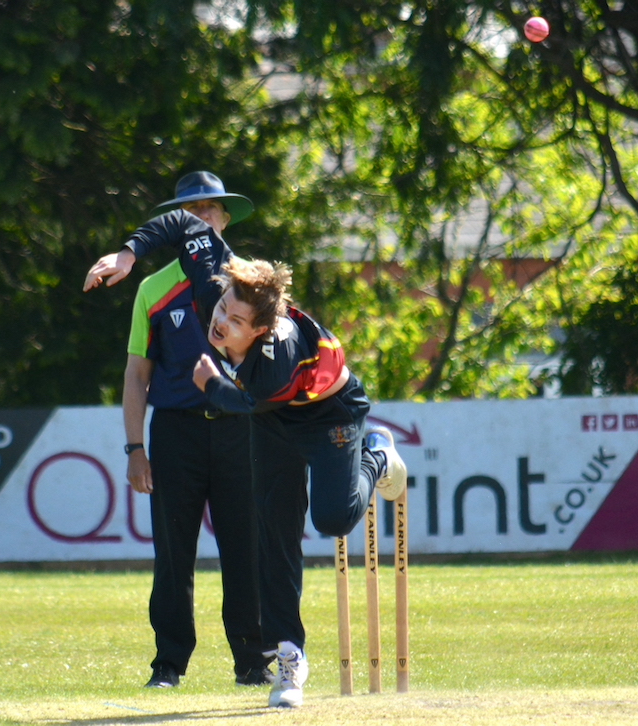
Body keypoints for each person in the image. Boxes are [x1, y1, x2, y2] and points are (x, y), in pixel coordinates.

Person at [84, 196, 408, 709]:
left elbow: (247, 403)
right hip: (272, 423)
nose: (219, 324)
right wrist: (128, 253)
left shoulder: (274, 356)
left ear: (259, 329)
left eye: (235, 321)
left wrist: (211, 385)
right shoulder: (214, 279)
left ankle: (378, 458)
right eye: (221, 309)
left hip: (327, 413)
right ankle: (289, 658)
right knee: (275, 540)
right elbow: (181, 222)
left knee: (333, 519)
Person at [84, 172, 272, 689]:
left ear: (225, 219)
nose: (202, 218)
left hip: (240, 430)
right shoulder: (153, 289)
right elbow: (136, 375)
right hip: (176, 433)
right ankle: (168, 664)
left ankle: (253, 662)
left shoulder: (249, 285)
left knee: (246, 548)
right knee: (172, 554)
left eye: (211, 209)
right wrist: (135, 448)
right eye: (192, 211)